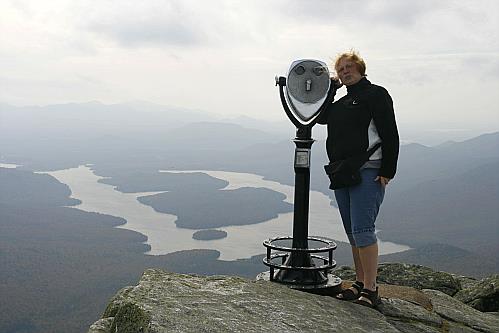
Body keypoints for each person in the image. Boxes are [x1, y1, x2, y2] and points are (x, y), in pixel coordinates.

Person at [317, 50, 399, 308]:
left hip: (368, 171)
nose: (344, 71)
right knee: (353, 233)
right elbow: (320, 117)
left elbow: (390, 133)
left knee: (363, 231)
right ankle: (361, 283)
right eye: (340, 70)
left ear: (361, 68)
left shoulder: (376, 94)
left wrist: (388, 170)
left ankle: (372, 290)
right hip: (343, 171)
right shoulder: (341, 102)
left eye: (349, 67)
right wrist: (332, 89)